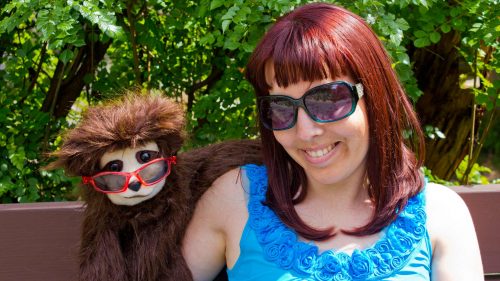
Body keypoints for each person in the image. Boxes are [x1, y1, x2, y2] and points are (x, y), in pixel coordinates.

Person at [182, 2, 483, 280]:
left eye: (326, 100)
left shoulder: (443, 215)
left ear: (374, 96)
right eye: (282, 107)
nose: (306, 132)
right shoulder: (234, 199)